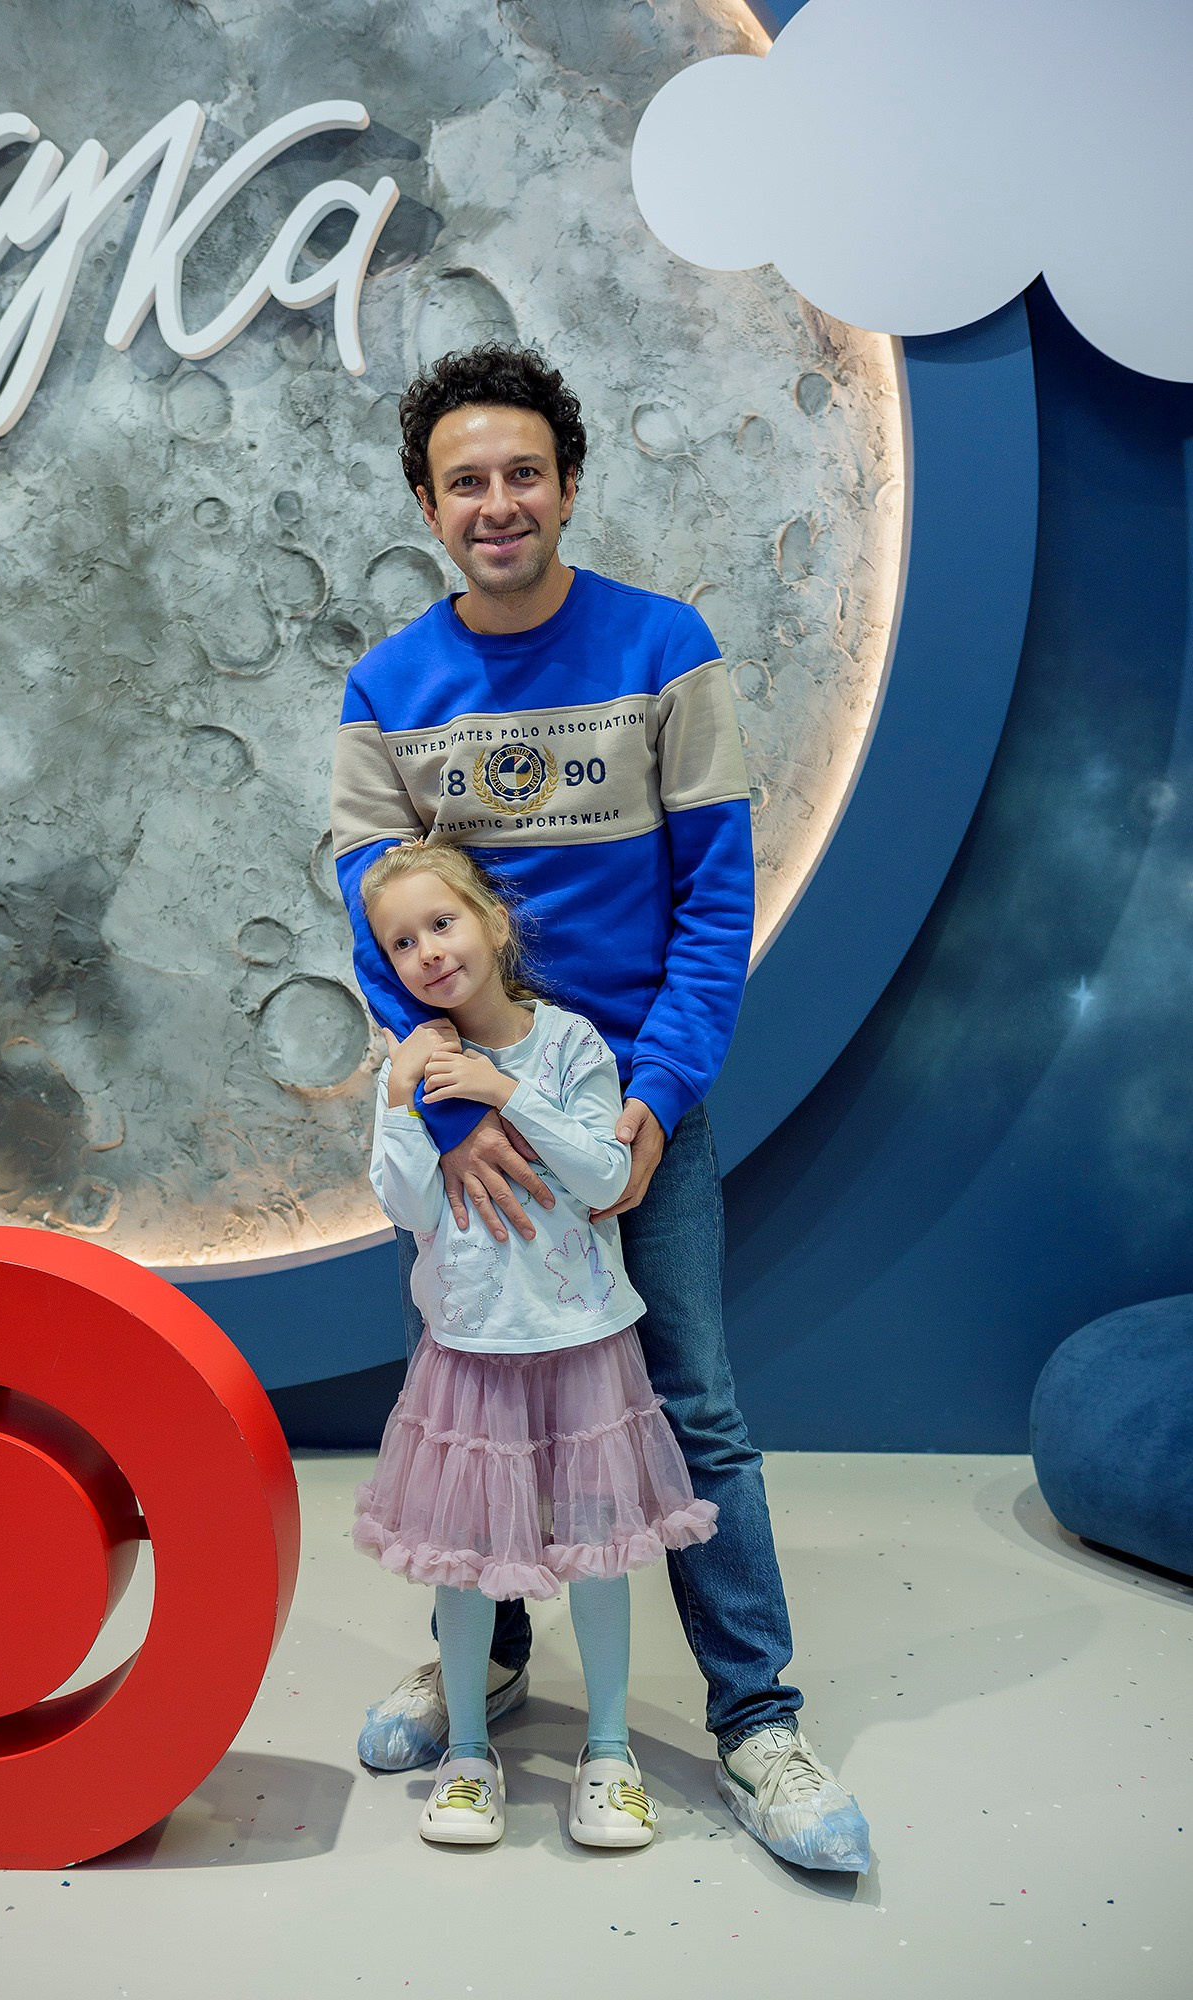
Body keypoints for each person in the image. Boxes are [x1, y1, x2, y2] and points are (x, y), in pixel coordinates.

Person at [330, 343, 869, 1873]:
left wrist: (652, 1101)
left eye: (522, 473)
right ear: (427, 508)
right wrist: (456, 1118)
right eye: (464, 482)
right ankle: (488, 1666)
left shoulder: (662, 650)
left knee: (690, 1405)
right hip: (472, 1125)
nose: (496, 503)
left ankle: (755, 1720)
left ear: (566, 485)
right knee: (487, 1395)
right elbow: (373, 922)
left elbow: (712, 903)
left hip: (632, 1110)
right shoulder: (386, 690)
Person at [354, 841, 718, 1847]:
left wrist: (504, 1091)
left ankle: (608, 1750)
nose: (429, 951)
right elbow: (406, 1204)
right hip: (470, 1350)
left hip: (582, 1341)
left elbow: (605, 1175)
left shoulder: (568, 1044)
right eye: (402, 942)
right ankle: (469, 1750)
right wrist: (404, 1097)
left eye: (442, 923)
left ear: (494, 923)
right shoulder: (411, 1067)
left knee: (598, 1550)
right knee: (466, 1557)